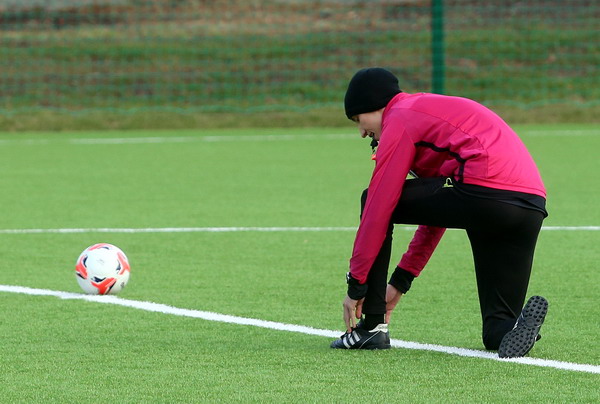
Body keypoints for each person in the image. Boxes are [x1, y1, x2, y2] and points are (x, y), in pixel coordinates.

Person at [330, 67, 548, 358]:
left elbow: (378, 208)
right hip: (529, 206)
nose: (361, 132)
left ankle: (371, 327)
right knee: (497, 333)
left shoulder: (400, 117)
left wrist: (357, 285)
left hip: (483, 192)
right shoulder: (422, 110)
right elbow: (437, 214)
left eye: (359, 119)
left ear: (376, 106)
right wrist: (400, 282)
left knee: (372, 198)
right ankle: (514, 328)